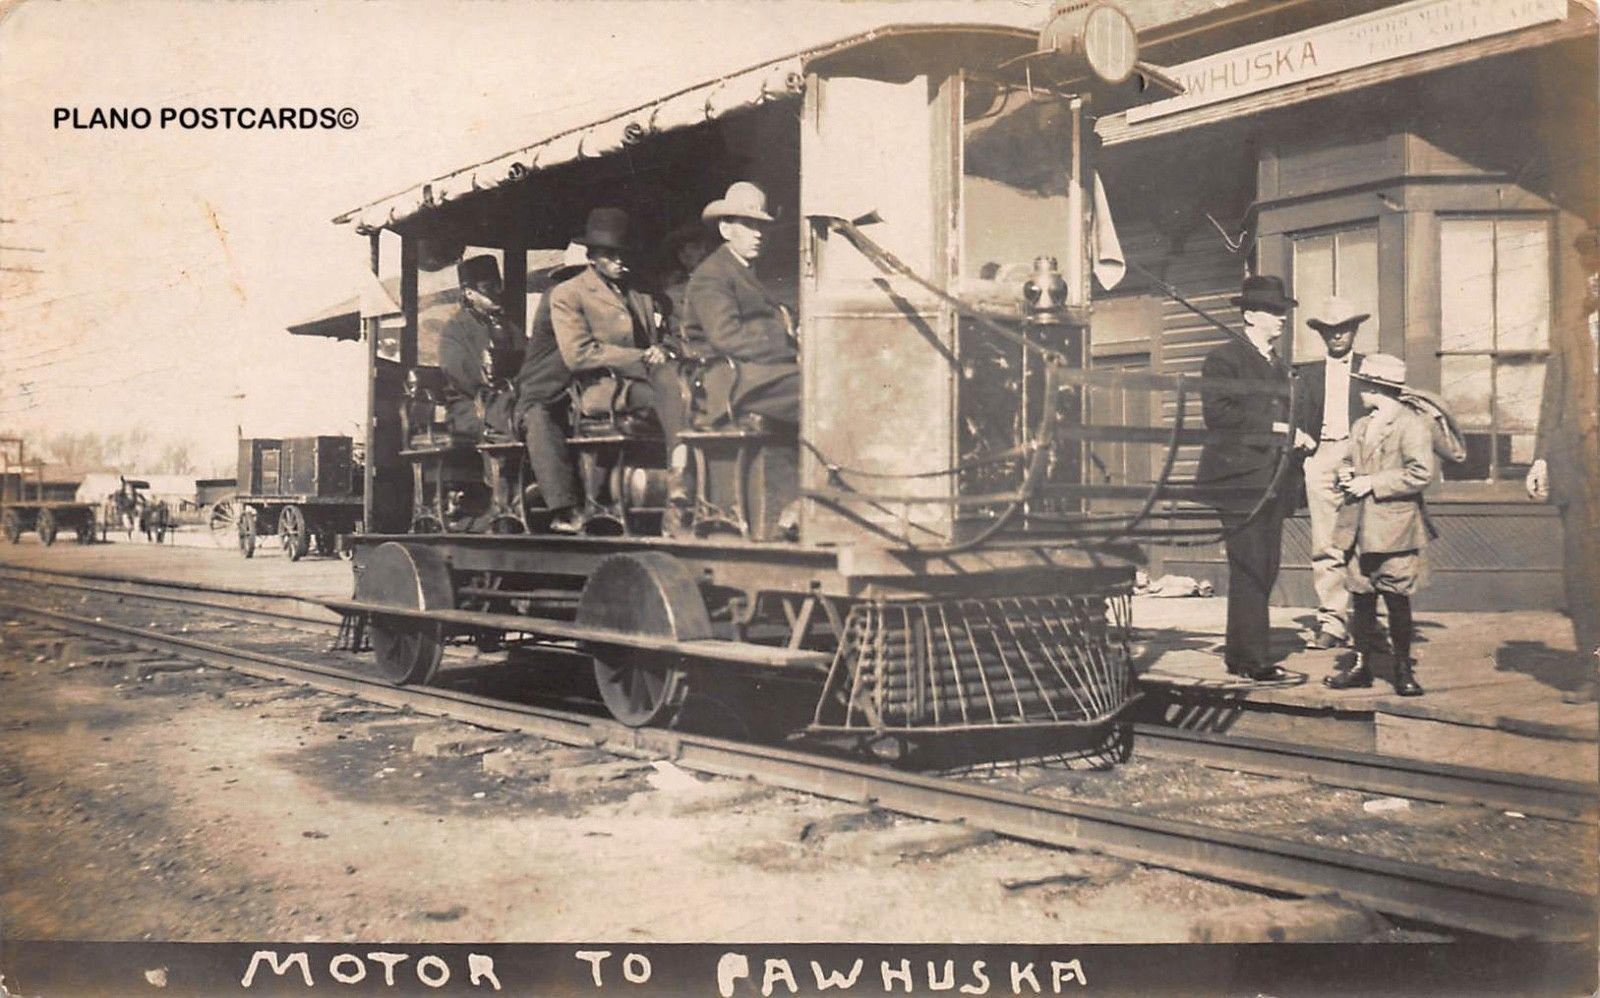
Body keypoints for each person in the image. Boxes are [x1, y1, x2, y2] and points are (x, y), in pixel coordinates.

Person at [1196, 275, 1315, 681]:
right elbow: (1220, 415)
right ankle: (1252, 660)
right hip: (1238, 482)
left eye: (1281, 311)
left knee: (1265, 566)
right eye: (1271, 311)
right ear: (1249, 315)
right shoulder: (1225, 359)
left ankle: (1244, 652)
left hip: (1272, 481)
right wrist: (1280, 430)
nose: (1280, 318)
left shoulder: (1278, 366)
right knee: (1249, 567)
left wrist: (1301, 434)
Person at [1323, 354, 1436, 697]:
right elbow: (1347, 463)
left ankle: (1403, 669)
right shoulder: (1361, 426)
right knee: (1361, 597)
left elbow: (1420, 473)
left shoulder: (1410, 425)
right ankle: (1362, 666)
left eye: (1364, 384)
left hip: (1394, 529)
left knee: (1397, 598)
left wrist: (1371, 482)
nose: (1359, 390)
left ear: (1378, 387)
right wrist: (1345, 474)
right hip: (1358, 526)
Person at [549, 206, 689, 462]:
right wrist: (642, 358)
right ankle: (680, 469)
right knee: (678, 396)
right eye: (609, 254)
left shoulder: (643, 291)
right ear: (591, 256)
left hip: (655, 377)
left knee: (694, 391)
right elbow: (578, 355)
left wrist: (666, 349)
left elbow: (673, 333)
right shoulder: (568, 294)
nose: (619, 260)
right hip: (601, 386)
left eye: (622, 253)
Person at [1526, 227, 1600, 702]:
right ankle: (1592, 672)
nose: (1597, 281)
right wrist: (1539, 458)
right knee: (1583, 569)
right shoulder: (1571, 332)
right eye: (1592, 272)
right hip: (1577, 465)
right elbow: (1551, 400)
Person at [682, 181, 801, 425]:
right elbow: (726, 337)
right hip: (730, 380)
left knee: (828, 383)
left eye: (763, 226)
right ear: (726, 229)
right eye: (748, 225)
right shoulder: (713, 274)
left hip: (758, 374)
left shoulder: (743, 271)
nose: (758, 234)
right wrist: (791, 352)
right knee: (821, 391)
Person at [1294, 296, 1369, 649]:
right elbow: (1294, 415)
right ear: (1322, 334)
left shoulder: (1370, 368)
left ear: (1354, 330)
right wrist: (1304, 441)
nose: (1337, 335)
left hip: (1360, 458)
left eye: (1344, 328)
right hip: (1322, 455)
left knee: (1365, 540)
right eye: (1330, 330)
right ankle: (1333, 621)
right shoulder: (1308, 375)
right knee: (1325, 543)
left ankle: (1367, 624)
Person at [513, 243, 587, 533]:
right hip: (542, 389)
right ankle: (563, 509)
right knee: (541, 420)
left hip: (574, 388)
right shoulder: (558, 297)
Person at [438, 255, 513, 439]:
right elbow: (462, 375)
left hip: (508, 401)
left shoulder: (509, 328)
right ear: (469, 292)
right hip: (470, 408)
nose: (496, 293)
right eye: (488, 289)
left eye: (498, 287)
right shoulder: (454, 330)